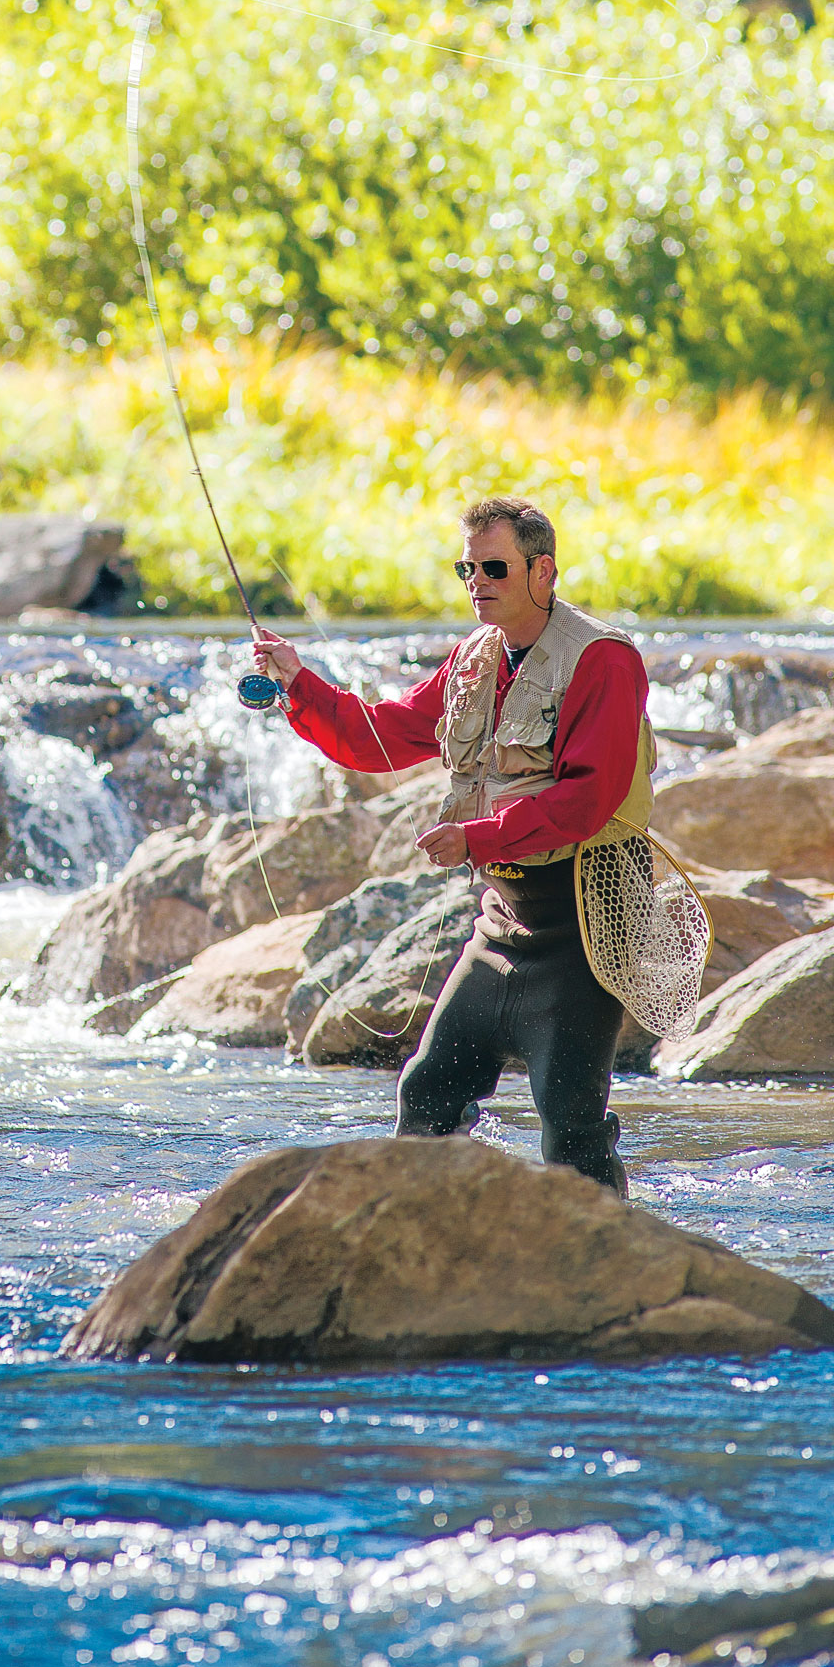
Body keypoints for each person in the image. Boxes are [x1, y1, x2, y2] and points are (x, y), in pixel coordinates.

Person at [249, 496, 653, 1196]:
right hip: (503, 924)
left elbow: (588, 800)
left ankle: (611, 1277)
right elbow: (377, 738)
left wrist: (475, 836)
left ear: (544, 571)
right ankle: (428, 1254)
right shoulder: (473, 657)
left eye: (494, 567)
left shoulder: (603, 659)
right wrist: (296, 682)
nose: (477, 582)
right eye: (466, 567)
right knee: (428, 1092)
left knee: (571, 1130)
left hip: (585, 922)